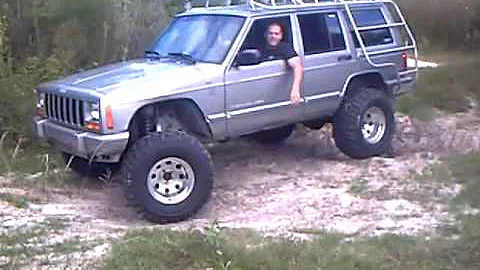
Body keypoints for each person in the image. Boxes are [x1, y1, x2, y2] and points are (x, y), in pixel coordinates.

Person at [261, 22, 304, 105]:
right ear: (265, 34)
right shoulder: (260, 47)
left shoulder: (285, 48)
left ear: (281, 36)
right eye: (270, 33)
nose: (273, 36)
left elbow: (298, 67)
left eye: (276, 34)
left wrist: (295, 89)